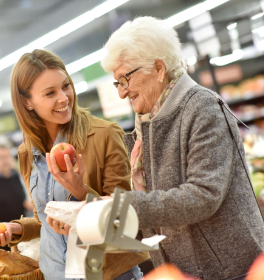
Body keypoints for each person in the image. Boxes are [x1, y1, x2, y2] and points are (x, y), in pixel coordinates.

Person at [99, 16, 264, 280]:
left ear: (158, 68)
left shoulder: (203, 107)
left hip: (230, 270)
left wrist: (130, 204)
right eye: (117, 82)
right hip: (182, 271)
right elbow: (158, 215)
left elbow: (204, 195)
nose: (121, 92)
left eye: (125, 79)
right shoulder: (147, 124)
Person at [0, 49, 150, 280]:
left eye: (66, 86)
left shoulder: (103, 135)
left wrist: (80, 190)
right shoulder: (27, 153)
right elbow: (47, 220)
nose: (63, 98)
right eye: (50, 93)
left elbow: (124, 219)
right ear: (26, 102)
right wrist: (16, 230)